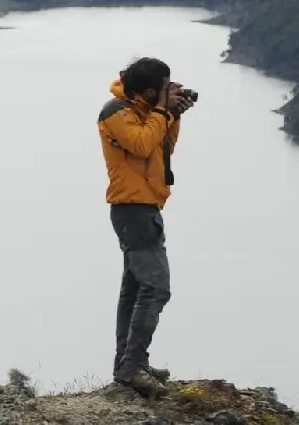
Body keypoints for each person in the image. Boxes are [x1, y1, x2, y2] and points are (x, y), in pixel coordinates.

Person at [98, 56, 193, 399]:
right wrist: (163, 113)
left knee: (135, 291)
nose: (169, 93)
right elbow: (139, 144)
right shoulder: (116, 112)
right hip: (132, 210)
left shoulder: (145, 112)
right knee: (155, 288)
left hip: (144, 208)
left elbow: (161, 148)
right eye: (165, 89)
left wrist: (173, 116)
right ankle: (131, 367)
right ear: (150, 90)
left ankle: (129, 364)